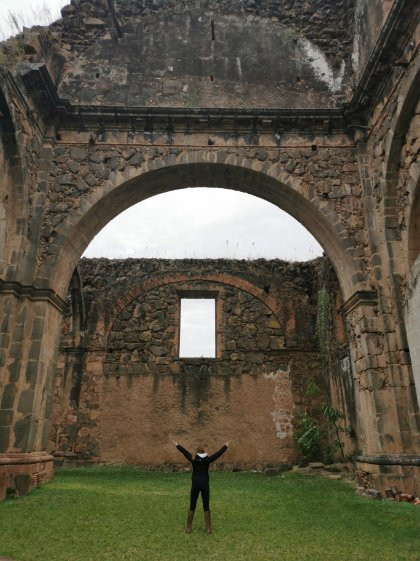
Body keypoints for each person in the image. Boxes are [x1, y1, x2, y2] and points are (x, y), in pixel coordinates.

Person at [173, 440, 229, 534]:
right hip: (204, 485)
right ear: (204, 451)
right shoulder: (207, 459)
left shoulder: (193, 459)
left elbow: (184, 452)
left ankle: (188, 528)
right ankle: (208, 528)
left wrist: (177, 445)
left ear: (197, 452)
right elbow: (218, 454)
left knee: (192, 505)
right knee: (206, 505)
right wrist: (225, 446)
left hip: (195, 485)